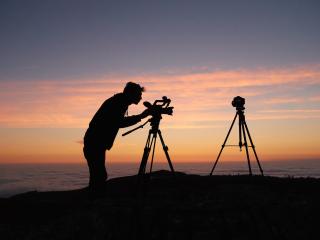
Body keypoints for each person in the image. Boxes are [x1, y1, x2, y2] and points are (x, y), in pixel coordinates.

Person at [83, 82, 150, 192]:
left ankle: (94, 199)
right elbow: (119, 122)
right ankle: (94, 201)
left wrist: (140, 116)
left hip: (96, 142)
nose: (141, 97)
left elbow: (116, 122)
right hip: (95, 143)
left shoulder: (119, 101)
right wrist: (141, 116)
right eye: (138, 94)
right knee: (99, 176)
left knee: (98, 175)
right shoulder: (118, 103)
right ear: (130, 94)